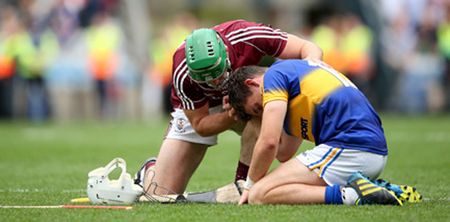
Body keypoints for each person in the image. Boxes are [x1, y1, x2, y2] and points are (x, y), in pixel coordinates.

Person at [134, 20, 323, 201]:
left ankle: (242, 184)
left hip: (250, 97)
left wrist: (311, 81)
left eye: (216, 73)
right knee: (158, 193)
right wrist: (233, 115)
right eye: (205, 79)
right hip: (205, 108)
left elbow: (308, 48)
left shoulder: (247, 36)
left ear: (225, 53)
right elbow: (200, 125)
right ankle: (149, 170)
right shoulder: (182, 72)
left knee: (276, 137)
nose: (214, 83)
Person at [227, 60, 422, 205]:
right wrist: (259, 118)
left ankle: (355, 195)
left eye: (258, 108)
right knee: (269, 190)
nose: (264, 111)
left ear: (251, 84)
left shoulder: (273, 77)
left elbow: (269, 143)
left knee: (258, 194)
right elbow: (284, 152)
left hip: (350, 146)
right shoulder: (293, 77)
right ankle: (377, 190)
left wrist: (249, 185)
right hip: (365, 151)